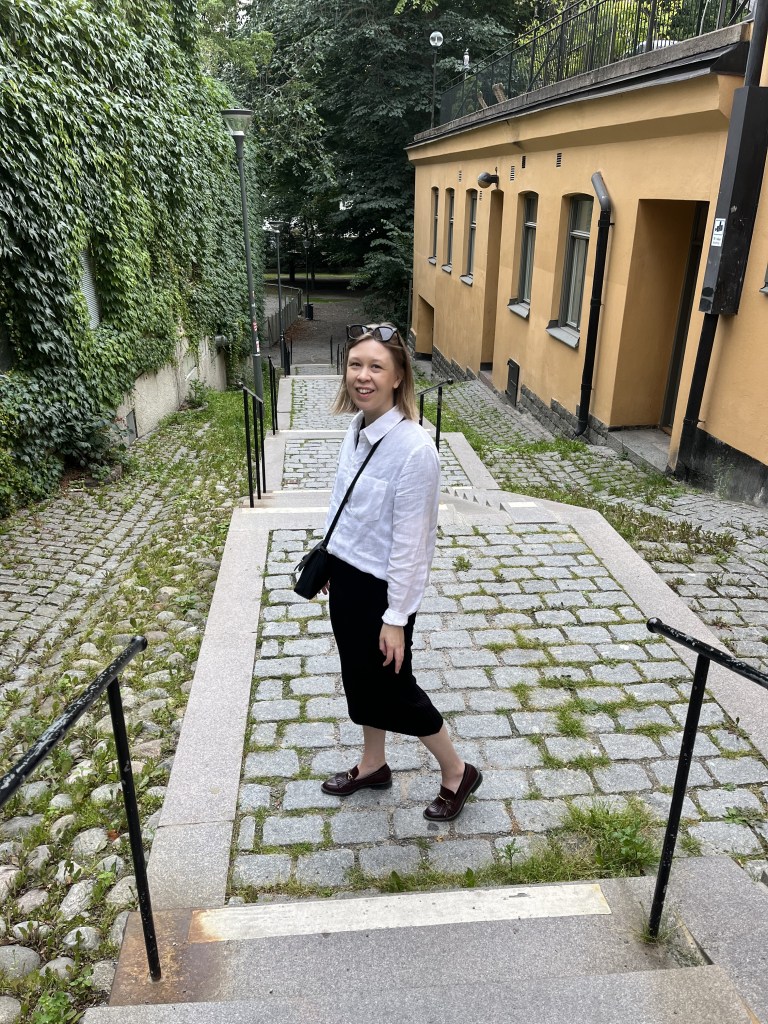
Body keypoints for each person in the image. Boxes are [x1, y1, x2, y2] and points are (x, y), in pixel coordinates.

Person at [319, 322, 482, 821]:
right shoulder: (357, 429)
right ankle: (374, 764)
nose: (362, 376)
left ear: (398, 377)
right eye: (355, 364)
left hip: (383, 593)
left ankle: (457, 771)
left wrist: (396, 617)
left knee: (395, 689)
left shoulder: (415, 449)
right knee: (358, 678)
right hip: (347, 578)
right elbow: (344, 502)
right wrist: (331, 557)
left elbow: (414, 546)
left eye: (376, 367)